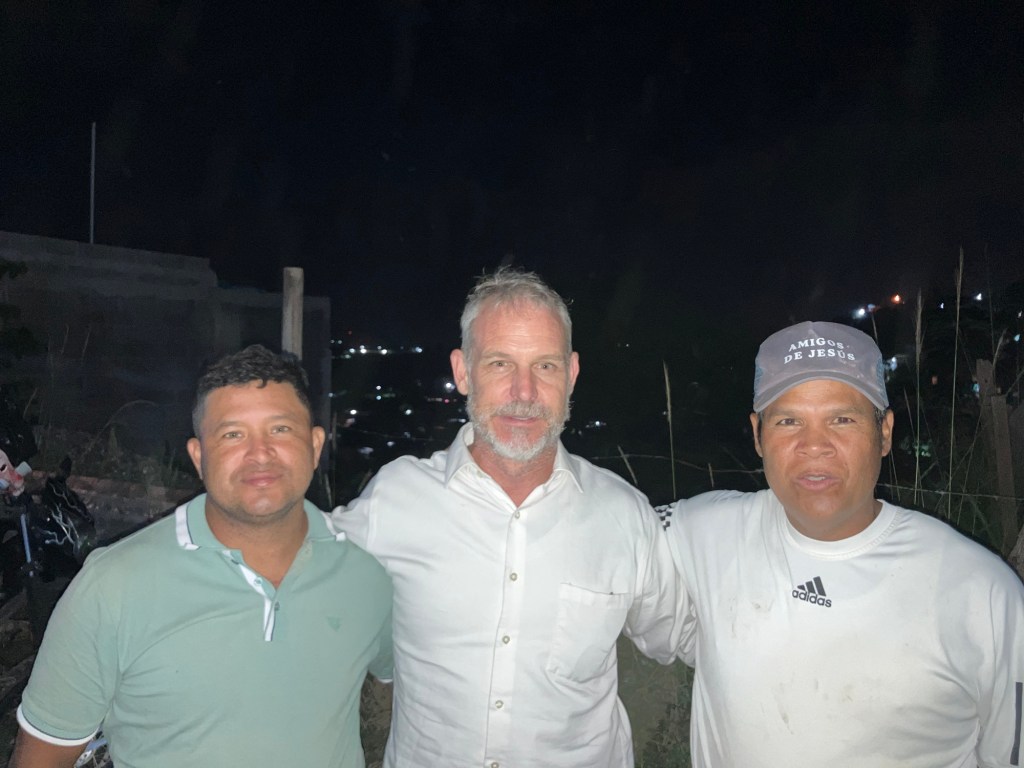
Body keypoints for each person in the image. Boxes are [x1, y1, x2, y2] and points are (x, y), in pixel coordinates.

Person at [333, 267, 682, 767]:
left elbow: (686, 631)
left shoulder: (623, 515)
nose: (524, 391)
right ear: (463, 372)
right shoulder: (395, 500)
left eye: (545, 366)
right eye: (500, 364)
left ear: (571, 375)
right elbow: (299, 571)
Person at [660, 320, 1024, 768]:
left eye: (842, 419)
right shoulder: (703, 531)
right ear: (757, 435)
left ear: (884, 432)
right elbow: (612, 533)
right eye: (789, 421)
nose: (814, 445)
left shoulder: (983, 593)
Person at [11, 345, 393, 768]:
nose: (260, 453)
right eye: (232, 434)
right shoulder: (113, 587)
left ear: (316, 444)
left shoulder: (367, 577)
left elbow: (402, 689)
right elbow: (41, 757)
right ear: (198, 457)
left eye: (280, 429)